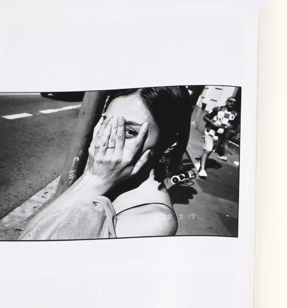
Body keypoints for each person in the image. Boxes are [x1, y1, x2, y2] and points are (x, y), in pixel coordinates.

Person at [20, 87, 193, 240]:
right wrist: (91, 177)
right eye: (106, 125)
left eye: (129, 132)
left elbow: (31, 247)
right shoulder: (109, 175)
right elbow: (27, 233)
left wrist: (96, 180)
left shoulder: (156, 221)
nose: (109, 141)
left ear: (170, 143)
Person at [195, 95, 239, 178]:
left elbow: (235, 125)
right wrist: (213, 124)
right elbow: (206, 117)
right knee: (208, 149)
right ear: (226, 101)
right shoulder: (218, 109)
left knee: (209, 150)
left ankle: (199, 162)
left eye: (234, 102)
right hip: (210, 131)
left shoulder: (235, 114)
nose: (231, 103)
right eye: (230, 101)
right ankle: (202, 169)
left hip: (220, 135)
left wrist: (230, 127)